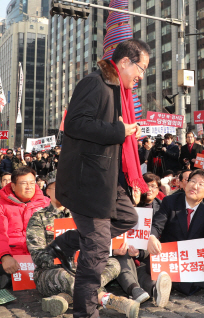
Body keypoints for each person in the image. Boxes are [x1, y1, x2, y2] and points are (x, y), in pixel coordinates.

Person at [52, 39, 148, 317]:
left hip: (108, 181)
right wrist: (119, 130)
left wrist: (126, 132)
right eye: (141, 68)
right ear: (125, 62)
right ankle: (86, 313)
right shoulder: (95, 83)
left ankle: (67, 242)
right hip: (89, 184)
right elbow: (75, 124)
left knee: (129, 217)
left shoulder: (120, 92)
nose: (141, 76)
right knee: (95, 256)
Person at [26, 174, 140, 318]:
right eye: (57, 187)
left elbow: (95, 241)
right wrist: (64, 259)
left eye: (66, 187)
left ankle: (65, 298)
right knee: (69, 277)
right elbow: (38, 255)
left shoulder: (82, 215)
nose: (63, 191)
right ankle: (109, 300)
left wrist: (111, 250)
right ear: (47, 191)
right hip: (52, 271)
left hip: (83, 265)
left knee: (113, 264)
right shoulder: (38, 217)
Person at [142, 169, 204, 304]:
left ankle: (177, 282)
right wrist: (152, 236)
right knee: (150, 265)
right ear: (186, 185)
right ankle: (203, 284)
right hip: (171, 255)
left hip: (193, 257)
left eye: (201, 184)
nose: (194, 186)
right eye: (192, 181)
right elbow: (157, 225)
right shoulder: (170, 201)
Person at [0, 167, 51, 288]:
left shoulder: (46, 203)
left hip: (40, 258)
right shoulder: (2, 205)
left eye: (32, 182)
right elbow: (1, 233)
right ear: (13, 186)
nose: (29, 187)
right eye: (24, 183)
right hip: (12, 259)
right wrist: (5, 256)